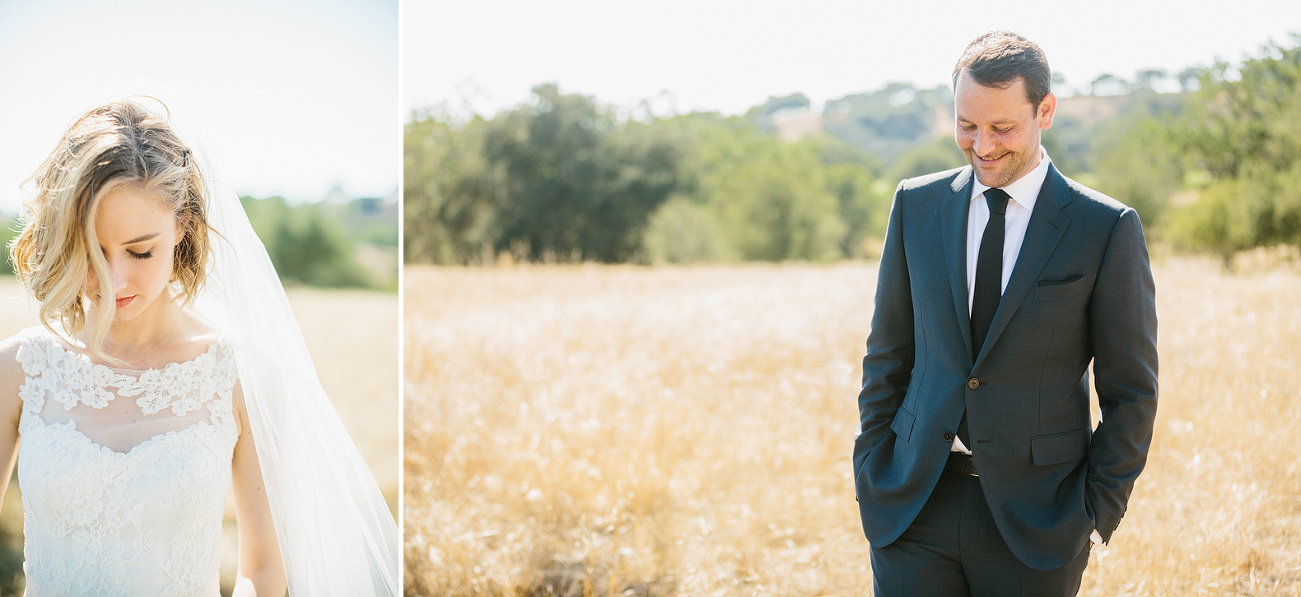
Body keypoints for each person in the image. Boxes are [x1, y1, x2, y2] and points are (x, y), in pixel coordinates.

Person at [0, 99, 398, 596]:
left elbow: (265, 568)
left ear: (182, 225)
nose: (115, 278)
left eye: (141, 251)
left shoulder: (239, 376)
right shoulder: (20, 370)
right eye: (92, 250)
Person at [852, 31, 1158, 596]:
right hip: (913, 505)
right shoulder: (914, 206)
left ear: (1045, 111)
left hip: (1039, 521)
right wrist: (872, 465)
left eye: (1001, 128)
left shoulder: (1105, 228)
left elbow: (1132, 391)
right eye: (967, 125)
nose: (982, 145)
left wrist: (1093, 516)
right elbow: (888, 352)